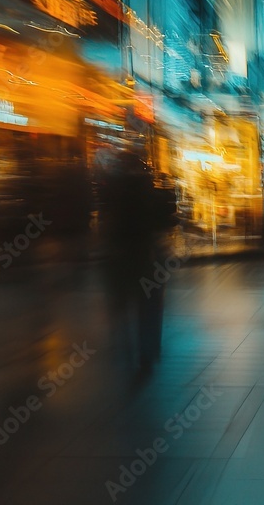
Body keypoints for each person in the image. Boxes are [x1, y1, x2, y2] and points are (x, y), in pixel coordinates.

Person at [98, 149, 177, 371]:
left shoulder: (113, 194)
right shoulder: (151, 192)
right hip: (149, 258)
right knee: (149, 306)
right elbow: (169, 220)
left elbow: (109, 226)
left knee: (122, 305)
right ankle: (148, 351)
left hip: (122, 257)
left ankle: (123, 345)